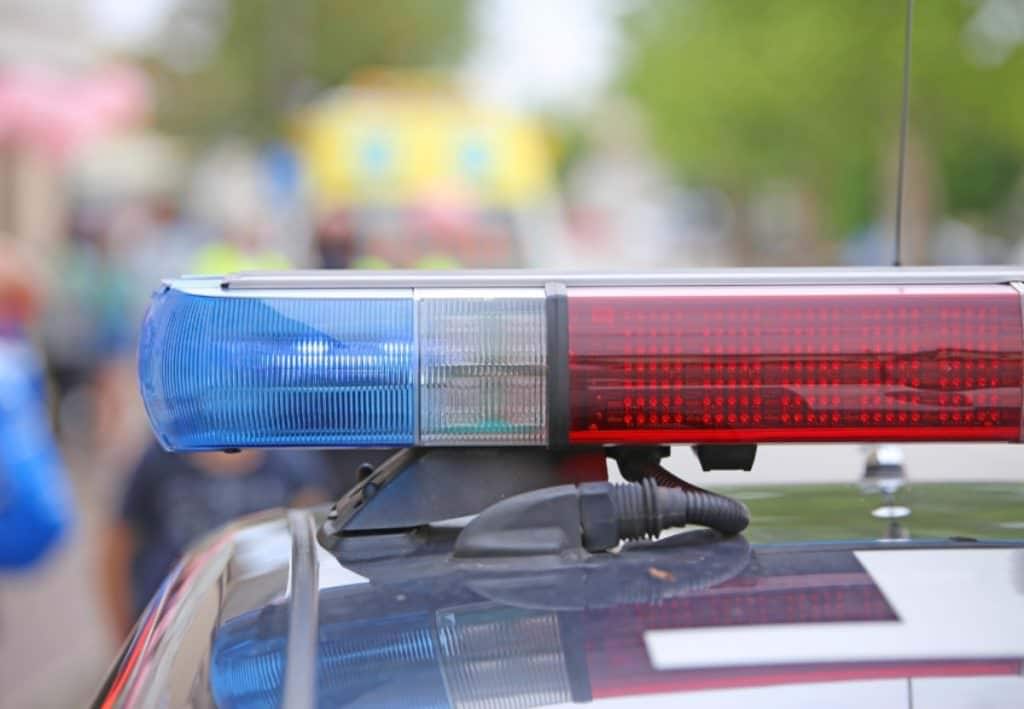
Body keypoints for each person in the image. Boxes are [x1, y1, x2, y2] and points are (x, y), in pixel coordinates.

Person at [103, 444, 336, 637]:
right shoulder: (161, 460)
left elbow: (318, 551)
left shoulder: (292, 461)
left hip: (262, 628)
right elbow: (117, 550)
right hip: (171, 624)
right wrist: (125, 634)